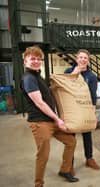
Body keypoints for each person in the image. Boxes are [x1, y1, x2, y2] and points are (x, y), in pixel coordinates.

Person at [21, 46, 79, 187]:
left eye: (37, 58)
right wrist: (57, 119)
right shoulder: (28, 78)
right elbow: (40, 103)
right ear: (25, 61)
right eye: (32, 58)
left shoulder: (37, 76)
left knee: (71, 142)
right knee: (43, 155)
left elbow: (47, 94)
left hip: (50, 120)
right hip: (40, 123)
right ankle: (38, 184)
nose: (35, 61)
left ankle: (64, 170)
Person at [64, 49, 100, 170]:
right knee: (70, 137)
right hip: (72, 109)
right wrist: (75, 72)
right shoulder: (68, 71)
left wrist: (93, 111)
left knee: (87, 134)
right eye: (81, 57)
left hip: (85, 108)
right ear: (77, 58)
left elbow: (93, 95)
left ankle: (89, 159)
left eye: (85, 58)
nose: (83, 60)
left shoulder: (92, 76)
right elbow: (65, 88)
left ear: (88, 61)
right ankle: (69, 164)